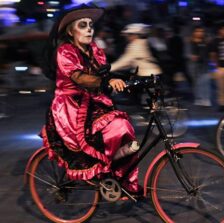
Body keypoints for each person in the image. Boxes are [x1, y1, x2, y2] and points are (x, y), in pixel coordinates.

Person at [41, 4, 142, 195]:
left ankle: (124, 182)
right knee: (116, 127)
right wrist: (107, 82)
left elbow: (105, 72)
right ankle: (105, 171)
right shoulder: (65, 52)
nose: (89, 28)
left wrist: (133, 80)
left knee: (124, 128)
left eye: (90, 25)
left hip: (93, 103)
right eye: (83, 25)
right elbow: (80, 78)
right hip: (71, 107)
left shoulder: (95, 50)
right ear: (71, 32)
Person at [110, 23, 162, 105]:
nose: (127, 37)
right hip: (154, 75)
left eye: (128, 35)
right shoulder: (144, 42)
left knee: (126, 87)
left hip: (146, 77)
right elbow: (130, 63)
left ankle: (138, 110)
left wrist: (108, 68)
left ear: (135, 35)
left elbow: (124, 61)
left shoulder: (135, 45)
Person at [190, 25, 211, 106]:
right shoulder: (191, 42)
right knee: (197, 83)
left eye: (201, 31)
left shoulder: (205, 42)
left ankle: (206, 99)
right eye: (198, 31)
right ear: (194, 32)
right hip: (194, 65)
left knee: (205, 82)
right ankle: (198, 98)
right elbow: (190, 55)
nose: (200, 33)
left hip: (205, 64)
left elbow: (207, 53)